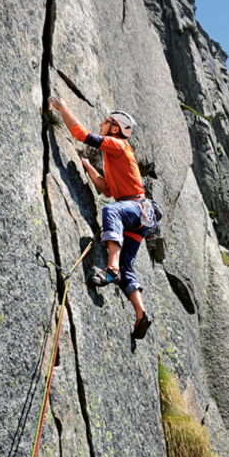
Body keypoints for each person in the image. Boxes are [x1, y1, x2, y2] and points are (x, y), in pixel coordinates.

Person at [48, 95, 153, 339]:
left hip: (135, 207)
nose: (101, 126)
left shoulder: (119, 145)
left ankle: (111, 268)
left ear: (115, 128)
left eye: (105, 122)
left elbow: (84, 135)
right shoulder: (116, 156)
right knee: (128, 266)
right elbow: (105, 187)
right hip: (141, 217)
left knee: (110, 210)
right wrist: (85, 164)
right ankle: (141, 314)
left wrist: (63, 109)